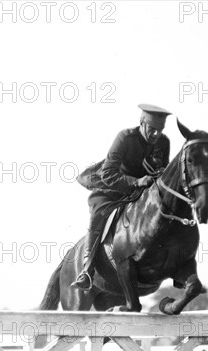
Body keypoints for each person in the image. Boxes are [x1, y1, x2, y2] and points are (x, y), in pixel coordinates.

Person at [71, 104, 172, 290]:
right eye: (152, 129)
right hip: (111, 191)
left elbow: (162, 176)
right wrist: (136, 182)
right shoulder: (125, 138)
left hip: (141, 196)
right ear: (142, 122)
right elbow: (108, 173)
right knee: (98, 216)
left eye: (160, 130)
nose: (156, 135)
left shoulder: (163, 143)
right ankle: (87, 269)